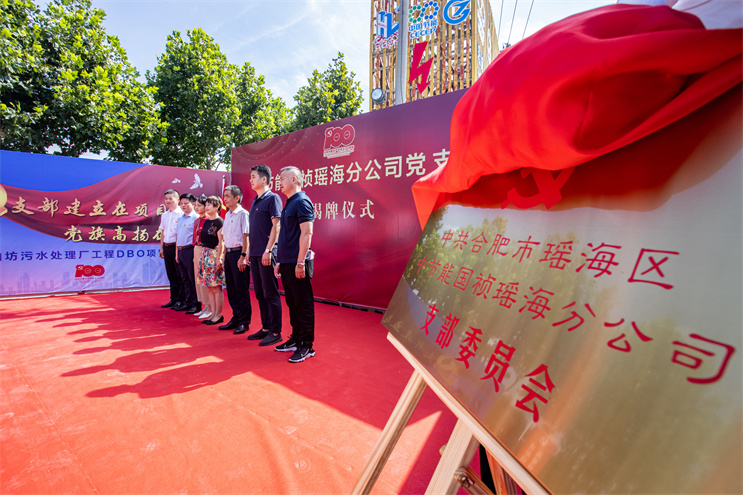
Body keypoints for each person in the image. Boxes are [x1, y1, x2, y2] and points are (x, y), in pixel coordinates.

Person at [273, 166, 316, 363]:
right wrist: (280, 261)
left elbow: (307, 233)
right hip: (287, 262)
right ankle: (296, 338)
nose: (279, 182)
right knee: (292, 303)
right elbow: (286, 236)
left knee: (303, 304)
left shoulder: (302, 202)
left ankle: (307, 345)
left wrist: (300, 261)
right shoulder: (289, 203)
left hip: (298, 262)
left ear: (293, 179)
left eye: (282, 178)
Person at [245, 165, 283, 346]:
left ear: (264, 179)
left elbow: (277, 226)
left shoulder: (273, 198)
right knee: (260, 293)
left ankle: (276, 331)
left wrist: (268, 250)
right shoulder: (255, 201)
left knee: (270, 293)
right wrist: (248, 252)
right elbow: (255, 231)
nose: (251, 180)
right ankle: (266, 327)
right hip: (254, 254)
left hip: (266, 253)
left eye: (253, 177)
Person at [217, 185, 252, 335]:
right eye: (224, 196)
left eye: (227, 196)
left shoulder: (243, 214)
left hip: (239, 253)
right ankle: (236, 317)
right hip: (229, 254)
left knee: (241, 289)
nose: (225, 199)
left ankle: (244, 321)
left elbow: (247, 236)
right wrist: (223, 256)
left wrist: (243, 256)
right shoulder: (228, 215)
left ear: (237, 198)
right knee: (231, 289)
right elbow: (224, 238)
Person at [199, 196, 226, 326]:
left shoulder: (220, 222)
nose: (207, 207)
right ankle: (212, 313)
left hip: (214, 254)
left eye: (210, 204)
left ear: (217, 206)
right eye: (206, 205)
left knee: (216, 286)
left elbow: (222, 242)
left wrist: (219, 258)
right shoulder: (206, 221)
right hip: (205, 254)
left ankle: (218, 314)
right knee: (209, 287)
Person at [174, 193, 200, 314]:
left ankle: (196, 304)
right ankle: (188, 302)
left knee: (192, 278)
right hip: (180, 251)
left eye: (186, 203)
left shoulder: (196, 218)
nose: (183, 205)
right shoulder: (180, 219)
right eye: (181, 203)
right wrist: (176, 253)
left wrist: (195, 254)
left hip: (190, 250)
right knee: (184, 278)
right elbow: (178, 236)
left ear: (193, 204)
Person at [159, 189, 183, 308]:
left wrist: (177, 250)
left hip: (176, 247)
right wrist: (161, 248)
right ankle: (173, 299)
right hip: (167, 246)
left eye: (170, 198)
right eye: (166, 199)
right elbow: (162, 232)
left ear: (177, 200)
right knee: (171, 274)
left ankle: (181, 299)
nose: (168, 201)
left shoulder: (181, 214)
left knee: (179, 274)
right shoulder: (164, 215)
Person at [192, 196, 212, 319]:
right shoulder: (197, 220)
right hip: (196, 249)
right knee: (198, 279)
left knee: (205, 279)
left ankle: (210, 307)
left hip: (206, 250)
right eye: (196, 205)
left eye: (199, 205)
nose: (196, 208)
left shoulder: (209, 220)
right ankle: (204, 305)